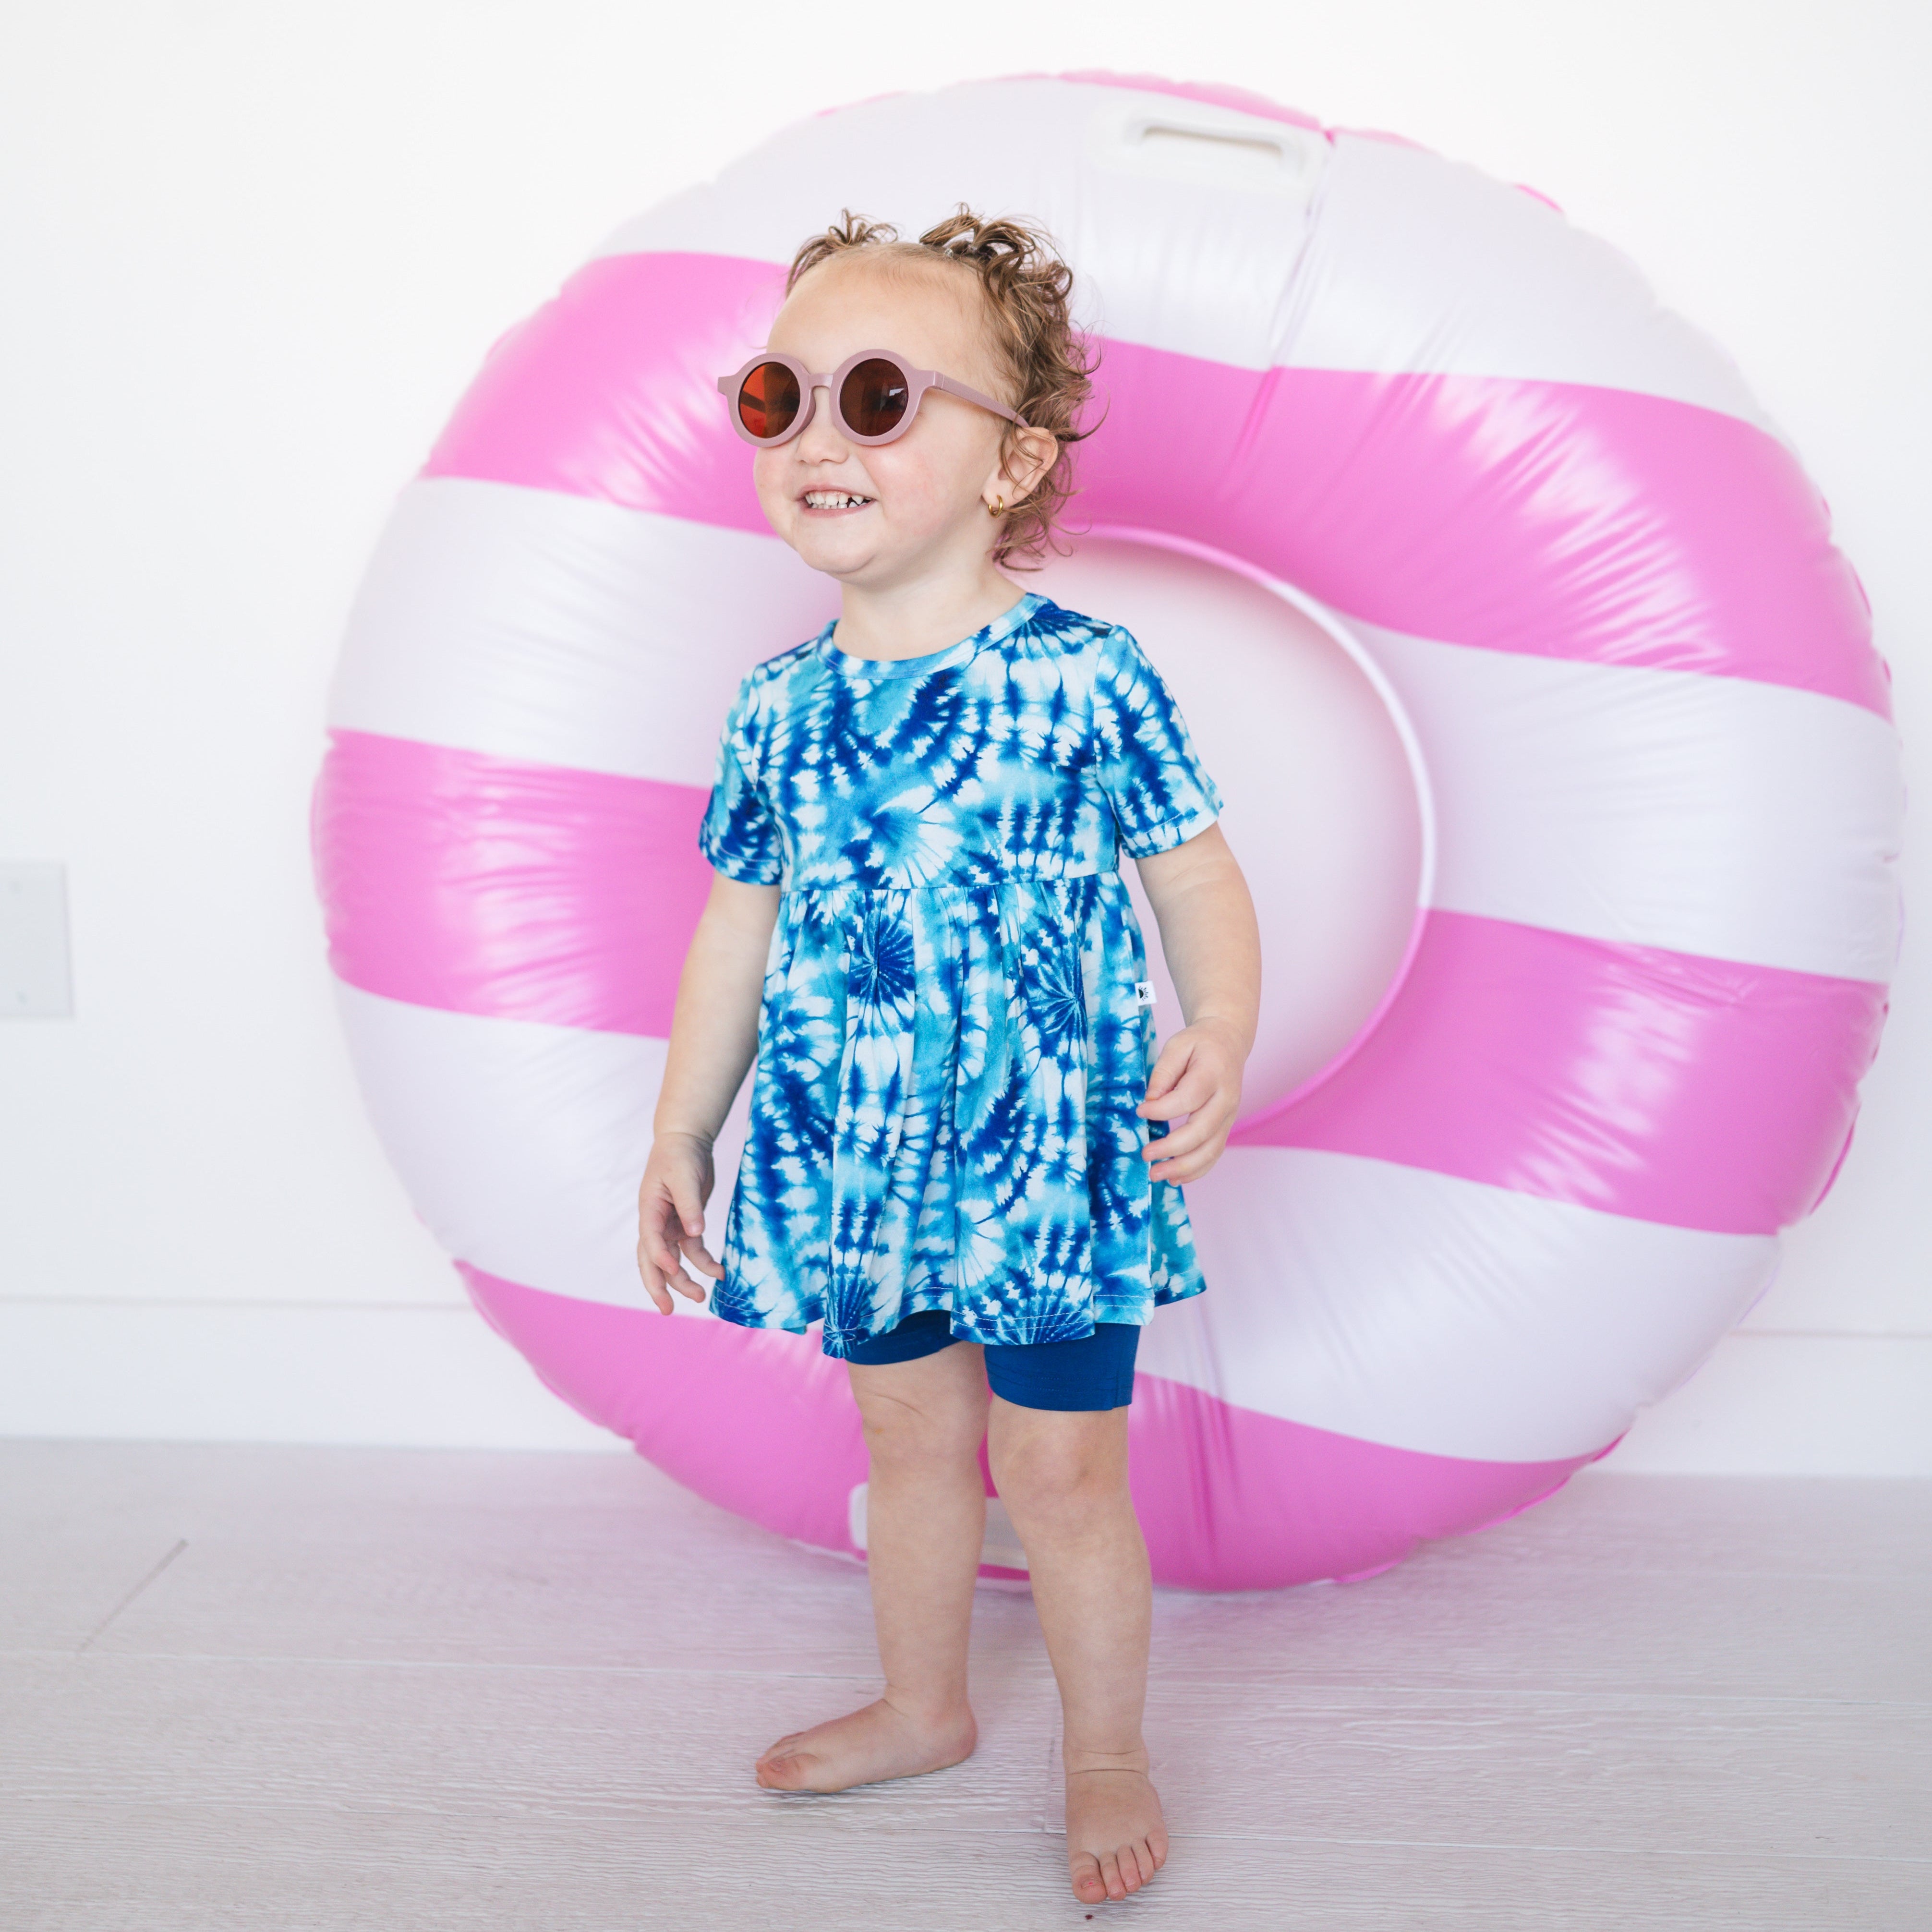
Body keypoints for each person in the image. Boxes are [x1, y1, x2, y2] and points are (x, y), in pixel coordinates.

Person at [634, 207, 1261, 1908]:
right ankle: (927, 1707)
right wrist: (686, 1126)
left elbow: (1195, 872)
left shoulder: (1079, 676)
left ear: (1013, 464)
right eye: (783, 396)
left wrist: (1217, 1028)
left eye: (883, 397)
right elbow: (737, 930)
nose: (820, 437)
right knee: (908, 1448)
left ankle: (1107, 1745)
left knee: (1059, 1471)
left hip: (1045, 1161)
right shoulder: (777, 705)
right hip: (857, 1156)